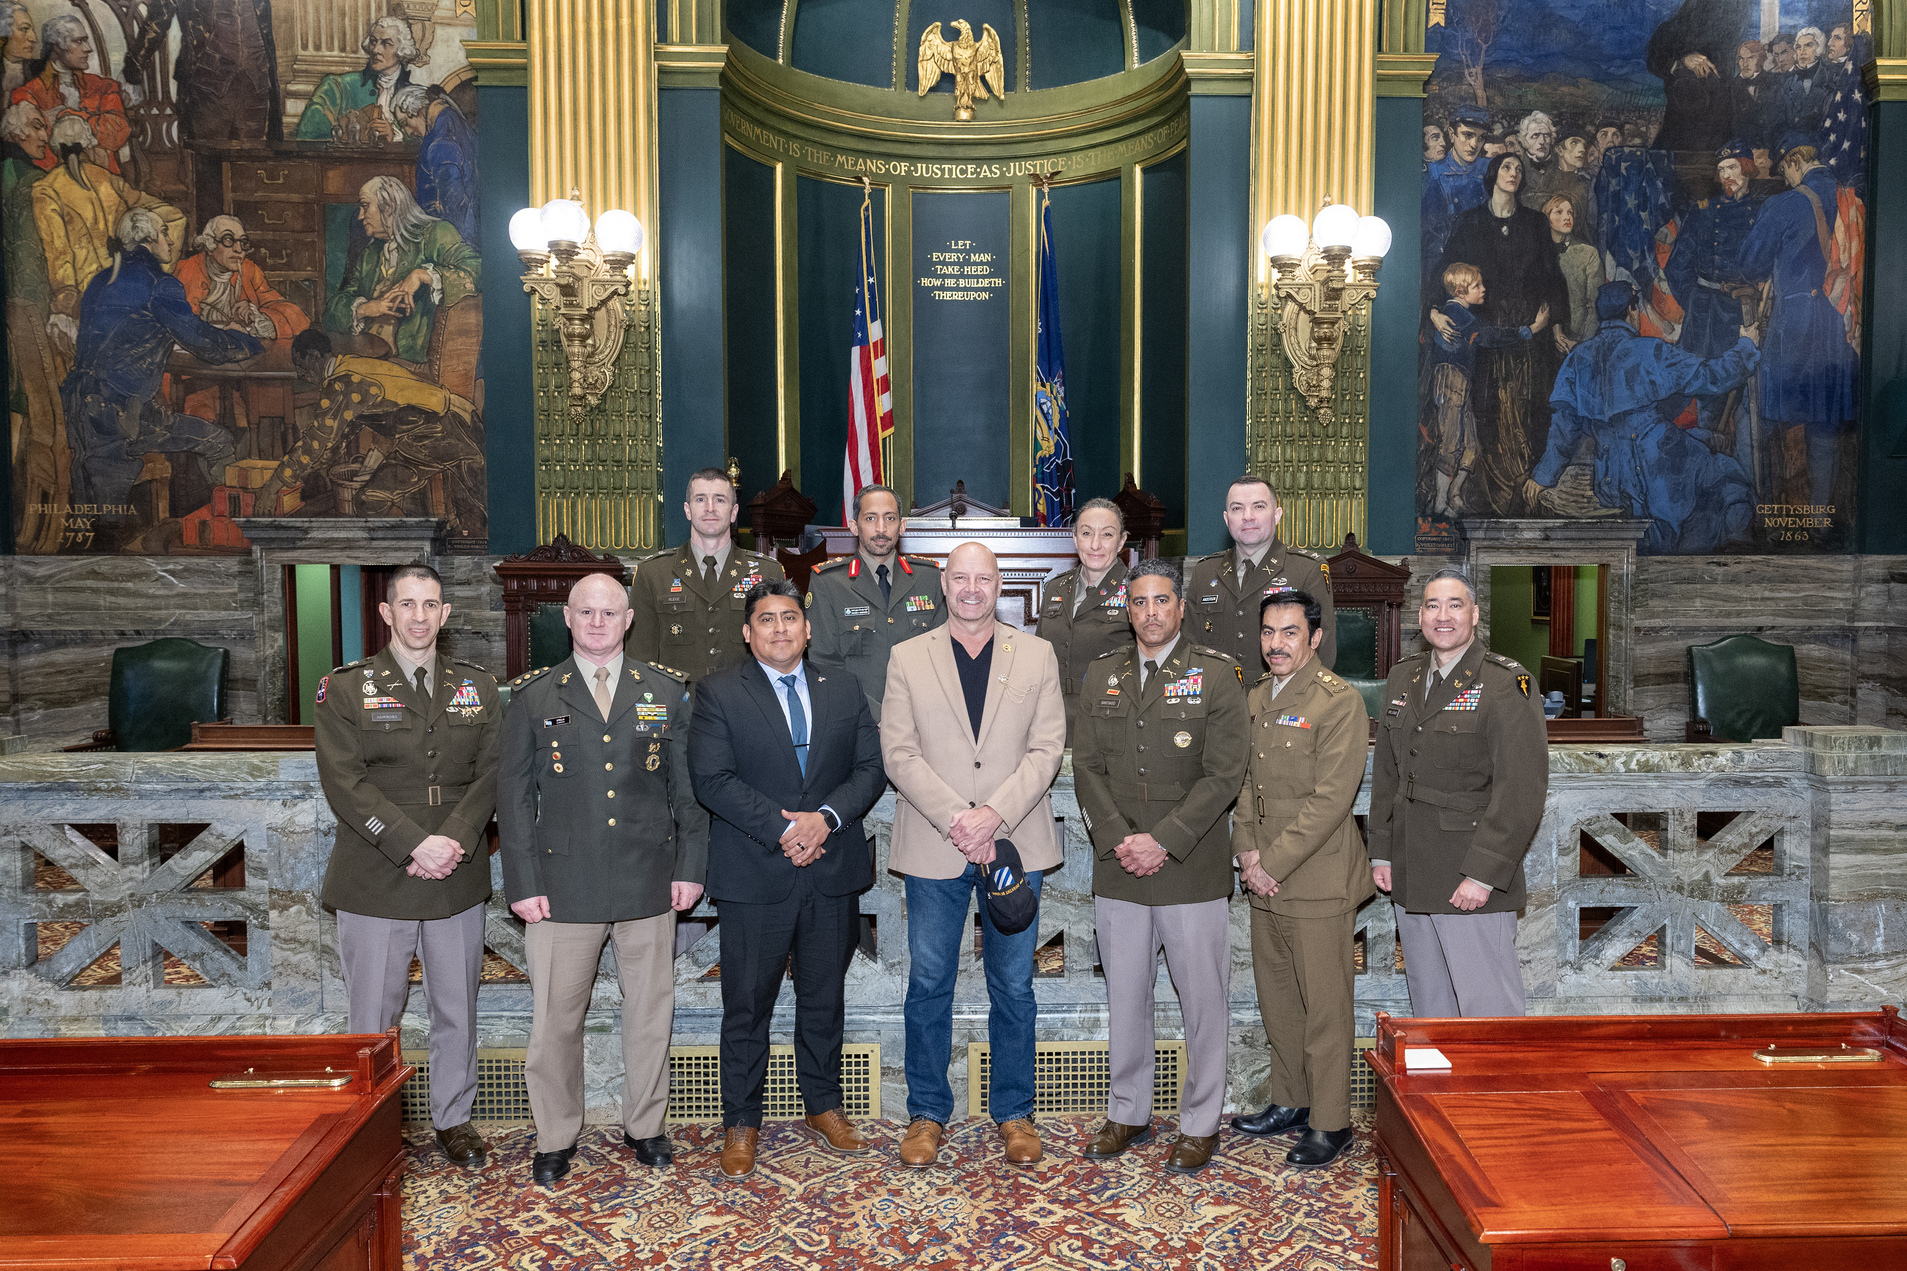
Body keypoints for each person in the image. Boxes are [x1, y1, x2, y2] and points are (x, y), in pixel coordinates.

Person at [498, 572, 709, 1184]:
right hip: (562, 886)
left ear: (628, 619)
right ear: (567, 617)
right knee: (554, 1022)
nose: (597, 622)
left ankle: (645, 1125)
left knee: (650, 1015)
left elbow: (687, 792)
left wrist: (690, 867)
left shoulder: (665, 691)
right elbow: (513, 798)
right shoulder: (535, 696)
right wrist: (522, 881)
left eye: (609, 612)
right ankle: (556, 1134)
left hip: (649, 879)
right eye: (586, 612)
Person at [688, 579, 886, 1179]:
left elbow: (870, 768)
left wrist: (824, 820)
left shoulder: (843, 687)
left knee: (824, 998)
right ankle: (741, 1121)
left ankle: (823, 1106)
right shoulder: (719, 691)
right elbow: (712, 779)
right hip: (755, 871)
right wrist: (784, 830)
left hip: (831, 867)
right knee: (746, 1004)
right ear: (747, 633)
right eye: (767, 619)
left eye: (790, 617)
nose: (780, 628)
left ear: (808, 628)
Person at [880, 542, 1064, 1169]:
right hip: (936, 844)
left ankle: (1015, 1113)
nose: (971, 589)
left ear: (998, 585)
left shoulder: (1037, 654)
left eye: (982, 578)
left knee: (1013, 984)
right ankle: (927, 1113)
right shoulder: (908, 657)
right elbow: (898, 753)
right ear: (944, 585)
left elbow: (1046, 749)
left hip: (1016, 842)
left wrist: (993, 816)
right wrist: (960, 818)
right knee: (929, 982)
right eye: (960, 578)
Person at [314, 563, 500, 1169]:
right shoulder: (347, 689)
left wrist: (454, 840)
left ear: (445, 614)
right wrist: (413, 844)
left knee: (456, 1007)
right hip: (376, 874)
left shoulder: (478, 687)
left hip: (455, 873)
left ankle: (454, 1119)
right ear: (386, 612)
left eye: (430, 605)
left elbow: (491, 774)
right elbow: (345, 784)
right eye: (407, 604)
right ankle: (367, 1122)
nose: (419, 616)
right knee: (373, 1013)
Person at [1073, 558, 1247, 1176]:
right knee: (1126, 997)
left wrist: (1163, 841)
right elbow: (1086, 766)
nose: (1151, 612)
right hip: (1120, 864)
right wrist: (1121, 839)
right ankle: (1128, 1111)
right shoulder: (1103, 674)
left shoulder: (1216, 674)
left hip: (1190, 864)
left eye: (1162, 601)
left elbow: (1224, 775)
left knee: (1203, 1002)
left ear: (1181, 607)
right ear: (1128, 608)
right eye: (1140, 602)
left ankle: (1201, 1123)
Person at [1228, 589, 1371, 1169]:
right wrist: (1246, 853)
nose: (1276, 643)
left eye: (1290, 632)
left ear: (1315, 638)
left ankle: (1331, 1121)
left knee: (1325, 1007)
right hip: (1263, 877)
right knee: (1280, 1001)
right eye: (1268, 632)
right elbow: (1244, 784)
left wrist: (1270, 864)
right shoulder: (1256, 697)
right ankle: (1291, 1100)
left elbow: (1331, 800)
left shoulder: (1339, 701)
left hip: (1316, 879)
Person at [1367, 568, 1547, 1017]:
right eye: (1432, 606)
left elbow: (1521, 790)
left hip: (1469, 875)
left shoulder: (1505, 683)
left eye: (1454, 605)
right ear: (1420, 617)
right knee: (1431, 1011)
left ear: (1475, 614)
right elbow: (1388, 774)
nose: (1442, 616)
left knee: (1488, 1014)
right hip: (1411, 870)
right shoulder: (1403, 677)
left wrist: (1483, 874)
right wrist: (1381, 851)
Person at [58, 207, 260, 547]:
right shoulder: (160, 285)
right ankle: (227, 534)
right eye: (164, 233)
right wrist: (250, 343)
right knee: (220, 440)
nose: (170, 240)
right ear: (148, 240)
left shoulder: (101, 280)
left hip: (78, 412)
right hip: (118, 421)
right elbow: (206, 344)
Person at [1528, 281, 1757, 553]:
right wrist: (1747, 345)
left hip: (1611, 480)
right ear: (1632, 310)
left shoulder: (1576, 359)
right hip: (1661, 465)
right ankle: (1736, 549)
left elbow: (1564, 430)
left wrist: (1542, 477)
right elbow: (1712, 377)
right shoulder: (1651, 351)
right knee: (1729, 477)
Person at [1430, 152, 1571, 516]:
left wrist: (1556, 324)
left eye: (1519, 169)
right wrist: (1432, 310)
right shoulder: (1470, 221)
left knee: (1525, 410)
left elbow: (1552, 276)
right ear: (1493, 174)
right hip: (1486, 335)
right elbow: (1445, 271)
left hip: (1529, 334)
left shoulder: (1535, 223)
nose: (1513, 173)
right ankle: (1485, 495)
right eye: (1507, 167)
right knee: (1487, 412)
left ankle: (1524, 492)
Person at [249, 330, 485, 535]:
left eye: (300, 365)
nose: (301, 375)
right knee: (370, 500)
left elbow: (316, 441)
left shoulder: (343, 382)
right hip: (423, 440)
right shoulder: (348, 368)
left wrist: (272, 488)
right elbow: (338, 437)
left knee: (484, 500)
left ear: (313, 356)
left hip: (451, 428)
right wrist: (309, 473)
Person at [1737, 137, 1858, 514]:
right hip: (1839, 325)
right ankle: (1820, 519)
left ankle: (1768, 513)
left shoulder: (1785, 203)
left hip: (1794, 325)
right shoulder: (1851, 200)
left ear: (1793, 162)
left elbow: (1749, 263)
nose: (1784, 178)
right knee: (1824, 421)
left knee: (1767, 415)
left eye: (1783, 169)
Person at [627, 467, 787, 682]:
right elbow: (639, 661)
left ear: (734, 512)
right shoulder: (653, 573)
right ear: (687, 510)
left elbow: (780, 653)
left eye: (720, 500)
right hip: (680, 700)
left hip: (746, 698)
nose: (710, 508)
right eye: (700, 499)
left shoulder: (768, 572)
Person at [807, 483, 946, 722]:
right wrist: (876, 716)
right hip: (856, 720)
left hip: (921, 719)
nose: (881, 528)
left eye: (890, 518)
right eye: (870, 518)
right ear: (854, 526)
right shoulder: (828, 582)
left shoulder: (928, 578)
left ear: (902, 526)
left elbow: (942, 657)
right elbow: (825, 664)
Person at [32, 116, 185, 326]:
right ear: (88, 146)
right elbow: (174, 216)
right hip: (127, 287)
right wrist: (158, 270)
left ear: (55, 148)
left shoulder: (46, 189)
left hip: (86, 298)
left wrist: (64, 304)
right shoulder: (105, 178)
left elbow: (59, 253)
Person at [1428, 263, 1547, 518]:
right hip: (1451, 378)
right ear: (1460, 291)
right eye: (1477, 286)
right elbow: (1488, 336)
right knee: (1451, 441)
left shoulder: (1462, 313)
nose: (1483, 289)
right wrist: (1531, 330)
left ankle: (1454, 495)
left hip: (1462, 380)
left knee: (1471, 446)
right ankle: (1440, 502)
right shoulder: (1455, 312)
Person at [1185, 475, 1335, 676]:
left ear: (1277, 515)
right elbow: (1190, 648)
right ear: (1227, 519)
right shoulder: (1204, 573)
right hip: (1217, 694)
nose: (1247, 516)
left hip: (1282, 693)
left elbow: (1323, 650)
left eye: (1258, 506)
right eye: (1237, 508)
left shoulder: (1306, 570)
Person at [324, 175, 480, 364]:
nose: (360, 216)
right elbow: (332, 310)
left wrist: (422, 275)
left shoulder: (436, 233)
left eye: (365, 206)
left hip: (412, 364)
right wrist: (365, 308)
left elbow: (478, 270)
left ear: (388, 207)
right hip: (369, 358)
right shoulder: (370, 255)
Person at [1664, 142, 1762, 440]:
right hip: (1707, 313)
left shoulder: (1763, 210)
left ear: (1747, 168)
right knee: (1706, 387)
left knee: (1750, 392)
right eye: (1721, 170)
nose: (1726, 175)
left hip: (1749, 313)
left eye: (1732, 167)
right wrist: (1696, 301)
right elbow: (1677, 267)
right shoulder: (1703, 212)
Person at [3, 98, 64, 554]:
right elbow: (30, 261)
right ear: (18, 133)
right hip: (26, 308)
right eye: (39, 128)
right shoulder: (34, 184)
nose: (45, 136)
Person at [1034, 496, 1131, 733]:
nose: (1095, 545)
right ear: (1075, 538)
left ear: (1121, 541)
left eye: (1107, 535)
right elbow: (1038, 655)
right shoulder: (1055, 588)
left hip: (1110, 719)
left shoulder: (1136, 591)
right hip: (1053, 718)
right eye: (1087, 533)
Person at [122, 0, 284, 142]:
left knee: (250, 159)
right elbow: (159, 16)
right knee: (209, 156)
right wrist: (135, 64)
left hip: (255, 81)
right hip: (207, 82)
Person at [9, 15, 129, 173]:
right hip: (51, 179)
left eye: (85, 40)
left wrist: (66, 115)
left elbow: (118, 133)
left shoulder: (104, 86)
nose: (88, 48)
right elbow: (34, 148)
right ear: (57, 47)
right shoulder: (26, 94)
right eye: (78, 41)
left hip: (102, 178)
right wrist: (95, 126)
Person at [1644, 0, 1753, 155]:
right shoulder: (1671, 28)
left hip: (1719, 123)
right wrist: (1681, 62)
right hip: (1681, 124)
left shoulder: (1732, 23)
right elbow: (1654, 61)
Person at [296, 17, 418, 142]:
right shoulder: (338, 86)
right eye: (373, 42)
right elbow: (309, 133)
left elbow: (421, 141)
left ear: (402, 50)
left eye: (386, 44)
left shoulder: (415, 96)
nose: (376, 50)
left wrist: (395, 137)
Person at [394, 84, 479, 246]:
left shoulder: (441, 140)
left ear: (419, 111)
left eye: (405, 123)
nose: (408, 133)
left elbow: (452, 205)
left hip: (453, 240)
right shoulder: (449, 121)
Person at [1422, 103, 1491, 261]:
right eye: (1468, 135)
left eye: (1481, 138)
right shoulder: (1434, 174)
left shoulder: (1490, 169)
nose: (1474, 144)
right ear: (1452, 135)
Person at [1546, 198, 1602, 350]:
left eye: (1570, 212)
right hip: (1544, 339)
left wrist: (1582, 343)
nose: (1567, 217)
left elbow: (1594, 305)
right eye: (1559, 212)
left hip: (1579, 339)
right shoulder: (1536, 251)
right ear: (1547, 218)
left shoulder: (1588, 253)